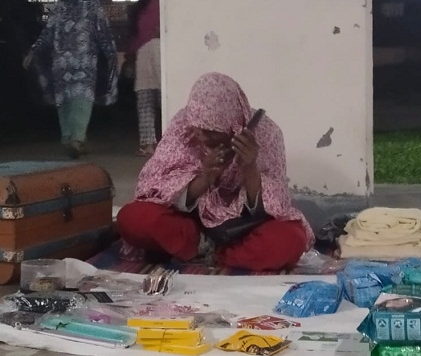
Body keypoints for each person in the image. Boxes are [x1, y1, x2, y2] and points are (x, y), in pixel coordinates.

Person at [116, 72, 314, 272]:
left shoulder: (268, 134)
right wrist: (205, 177)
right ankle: (198, 247)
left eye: (210, 132)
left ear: (232, 126)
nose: (202, 138)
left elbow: (275, 205)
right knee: (132, 218)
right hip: (192, 226)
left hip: (243, 228)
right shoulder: (184, 127)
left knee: (291, 239)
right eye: (198, 130)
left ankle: (221, 255)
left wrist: (250, 168)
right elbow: (158, 187)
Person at [24, 0, 118, 159]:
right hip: (84, 61)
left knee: (65, 100)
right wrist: (111, 54)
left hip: (61, 63)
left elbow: (47, 32)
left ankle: (69, 137)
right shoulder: (92, 6)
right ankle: (77, 138)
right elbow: (103, 33)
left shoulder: (60, 7)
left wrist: (33, 51)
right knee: (82, 99)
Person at [126, 0, 161, 156]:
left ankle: (148, 145)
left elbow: (134, 38)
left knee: (145, 102)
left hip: (143, 55)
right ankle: (174, 141)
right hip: (163, 52)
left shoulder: (138, 9)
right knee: (166, 99)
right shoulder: (165, 5)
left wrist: (130, 57)